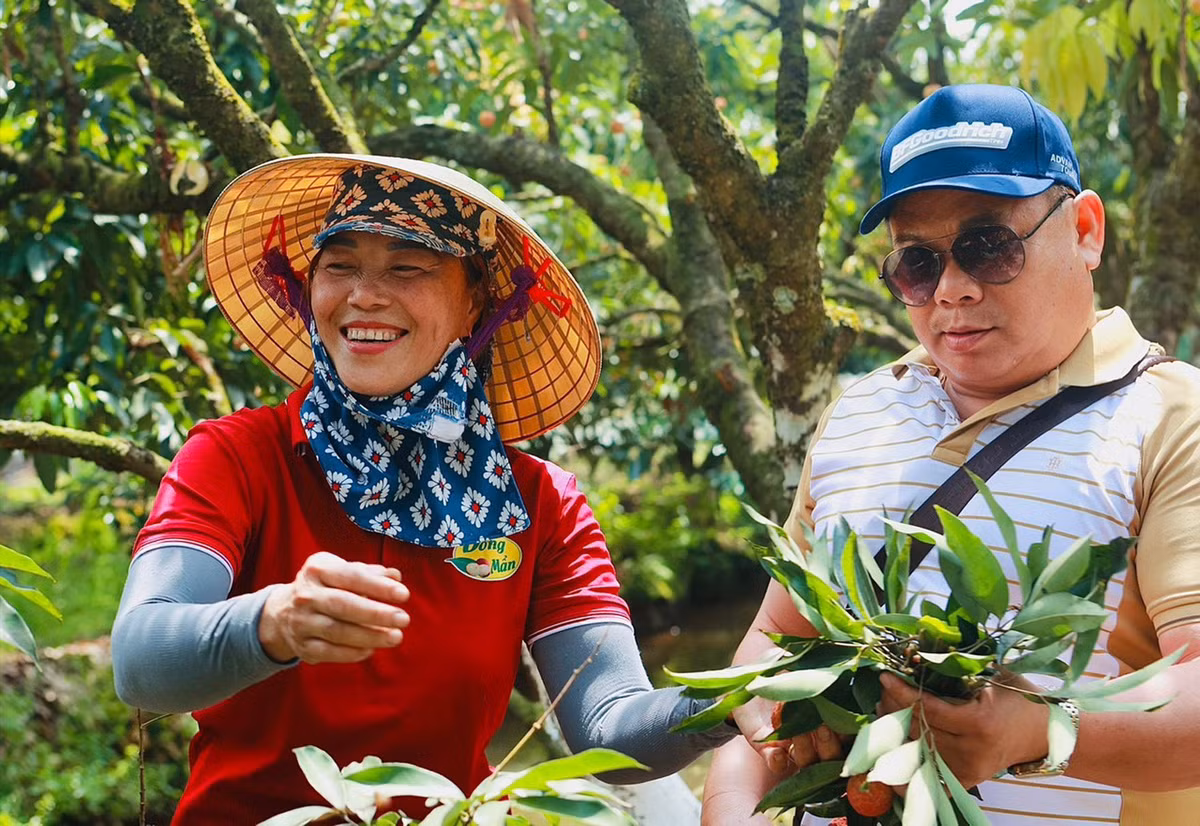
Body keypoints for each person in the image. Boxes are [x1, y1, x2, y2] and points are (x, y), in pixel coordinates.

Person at [110, 155, 733, 823]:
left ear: (474, 304)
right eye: (340, 263)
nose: (365, 295)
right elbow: (142, 655)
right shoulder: (237, 458)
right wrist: (271, 623)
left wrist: (735, 702)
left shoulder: (538, 504)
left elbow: (606, 723)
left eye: (409, 266)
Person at [700, 84, 1200, 825]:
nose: (953, 291)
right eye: (917, 263)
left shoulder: (1172, 415)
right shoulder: (863, 407)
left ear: (1086, 230)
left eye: (989, 246)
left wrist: (1038, 731)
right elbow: (773, 653)